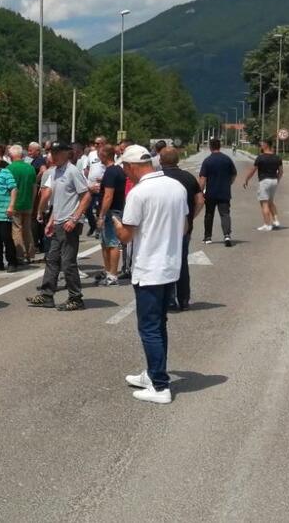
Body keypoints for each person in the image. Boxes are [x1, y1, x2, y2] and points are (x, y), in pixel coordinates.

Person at [111, 145, 188, 405]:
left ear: (131, 166)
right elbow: (185, 225)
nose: (125, 173)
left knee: (149, 328)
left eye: (125, 168)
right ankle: (154, 373)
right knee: (159, 324)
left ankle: (160, 386)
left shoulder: (138, 192)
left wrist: (116, 223)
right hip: (170, 265)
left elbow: (126, 236)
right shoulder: (176, 187)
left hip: (148, 268)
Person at [26, 142, 92, 311]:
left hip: (69, 223)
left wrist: (74, 219)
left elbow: (86, 196)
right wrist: (51, 221)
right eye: (51, 153)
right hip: (58, 222)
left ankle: (76, 298)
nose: (53, 156)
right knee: (52, 259)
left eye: (56, 152)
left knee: (68, 262)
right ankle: (47, 295)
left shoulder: (72, 171)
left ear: (66, 153)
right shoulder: (55, 172)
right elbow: (58, 201)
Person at [161, 147, 203, 311]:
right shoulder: (188, 177)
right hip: (184, 228)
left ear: (161, 160)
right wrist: (191, 217)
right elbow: (200, 200)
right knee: (182, 262)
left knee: (165, 262)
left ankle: (170, 299)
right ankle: (184, 299)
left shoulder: (159, 177)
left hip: (162, 228)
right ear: (177, 160)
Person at [95, 144, 126, 286]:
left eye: (99, 154)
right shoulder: (117, 170)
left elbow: (108, 196)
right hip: (115, 209)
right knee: (105, 243)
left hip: (111, 212)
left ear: (104, 155)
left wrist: (101, 216)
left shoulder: (111, 172)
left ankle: (112, 275)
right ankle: (108, 272)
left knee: (112, 243)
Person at [198, 138, 237, 246]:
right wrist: (229, 183)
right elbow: (234, 174)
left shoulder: (207, 161)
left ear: (210, 147)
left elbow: (203, 179)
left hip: (211, 192)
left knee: (209, 214)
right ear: (220, 146)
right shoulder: (227, 159)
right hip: (224, 192)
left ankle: (207, 237)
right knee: (225, 214)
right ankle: (227, 235)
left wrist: (200, 192)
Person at [7, 145, 37, 264]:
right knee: (27, 229)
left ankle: (20, 254)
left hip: (14, 203)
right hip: (28, 202)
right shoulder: (30, 168)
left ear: (11, 155)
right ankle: (30, 254)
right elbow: (34, 187)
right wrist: (32, 202)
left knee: (16, 230)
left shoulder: (9, 168)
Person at [243, 139, 283, 231]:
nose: (260, 146)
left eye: (261, 144)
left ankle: (267, 224)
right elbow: (281, 171)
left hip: (264, 181)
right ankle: (276, 221)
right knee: (271, 202)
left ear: (266, 145)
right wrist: (277, 180)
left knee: (264, 203)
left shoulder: (260, 158)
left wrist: (246, 180)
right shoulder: (277, 157)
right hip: (274, 181)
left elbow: (252, 171)